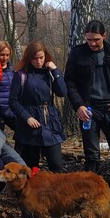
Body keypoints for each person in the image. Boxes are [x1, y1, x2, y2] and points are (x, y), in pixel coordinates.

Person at [64, 20, 110, 215]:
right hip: (89, 110)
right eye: (88, 40)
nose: (92, 44)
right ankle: (90, 201)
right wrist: (78, 105)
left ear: (104, 36)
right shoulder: (78, 53)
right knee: (92, 158)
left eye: (95, 40)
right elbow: (69, 81)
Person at [8, 41, 67, 174]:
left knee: (56, 165)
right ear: (29, 58)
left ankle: (56, 194)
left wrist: (56, 71)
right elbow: (13, 101)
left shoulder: (50, 72)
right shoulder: (21, 74)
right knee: (30, 167)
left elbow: (62, 92)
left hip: (50, 121)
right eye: (35, 58)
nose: (39, 61)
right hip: (29, 124)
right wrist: (27, 117)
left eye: (41, 57)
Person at [0, 41, 16, 134]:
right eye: (2, 55)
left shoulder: (12, 70)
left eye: (7, 55)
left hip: (12, 110)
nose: (5, 58)